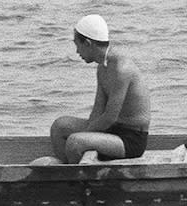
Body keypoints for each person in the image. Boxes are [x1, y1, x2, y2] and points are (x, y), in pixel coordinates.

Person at [49, 14, 151, 164]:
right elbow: (98, 111)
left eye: (77, 45)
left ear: (88, 43)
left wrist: (83, 136)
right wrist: (88, 134)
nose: (77, 52)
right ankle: (66, 176)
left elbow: (110, 117)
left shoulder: (121, 68)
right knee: (59, 126)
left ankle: (81, 184)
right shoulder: (102, 67)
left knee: (75, 142)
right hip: (111, 130)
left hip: (130, 139)